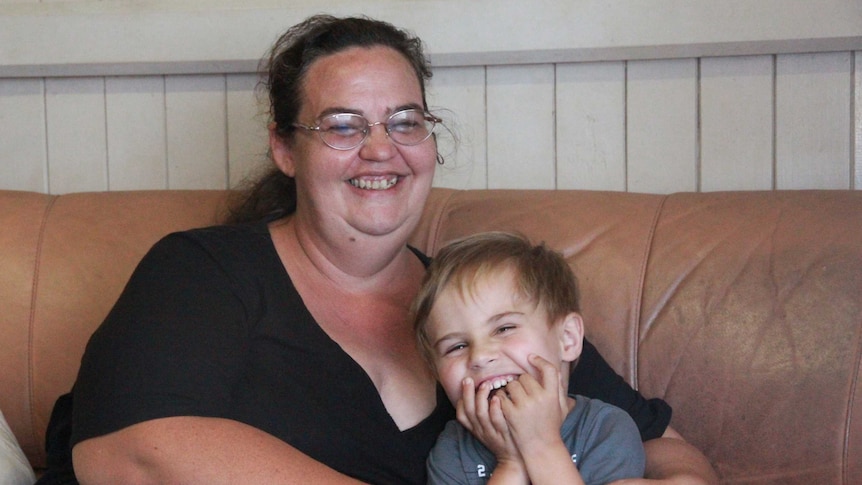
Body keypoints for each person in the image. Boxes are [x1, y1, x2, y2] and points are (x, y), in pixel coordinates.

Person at [37, 14, 717, 485]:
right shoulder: (205, 271)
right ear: (284, 147)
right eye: (343, 125)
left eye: (404, 121)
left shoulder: (483, 305)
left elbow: (674, 455)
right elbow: (127, 457)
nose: (380, 149)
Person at [413, 232, 645, 484]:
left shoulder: (606, 430)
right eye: (456, 346)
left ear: (567, 338)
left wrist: (540, 445)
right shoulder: (451, 451)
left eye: (504, 329)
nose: (479, 356)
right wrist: (511, 463)